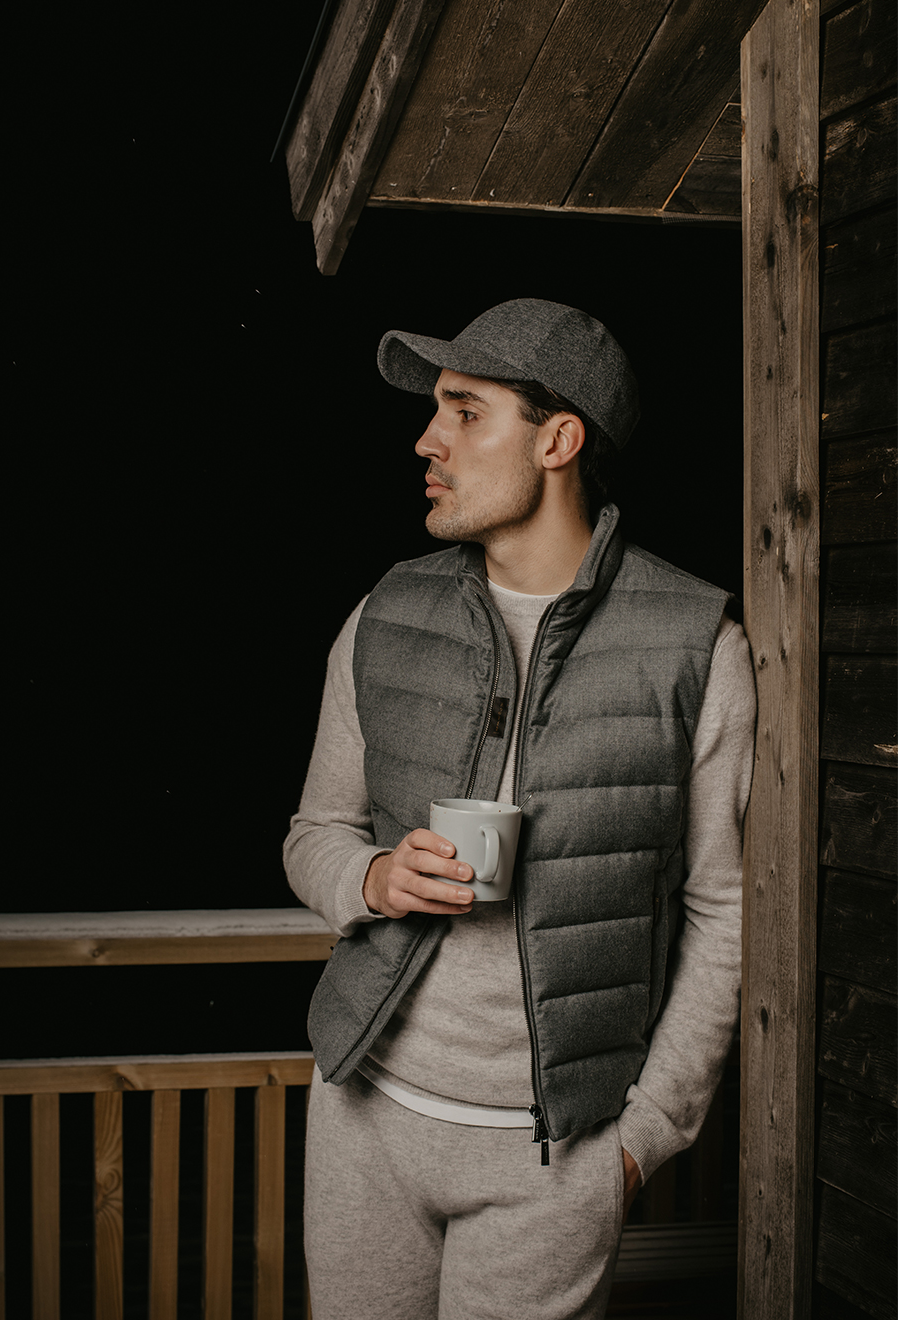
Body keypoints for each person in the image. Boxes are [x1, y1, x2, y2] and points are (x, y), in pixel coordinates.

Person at [284, 299, 756, 1320]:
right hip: (364, 1120)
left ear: (557, 440)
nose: (427, 440)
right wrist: (372, 877)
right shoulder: (385, 612)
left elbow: (723, 911)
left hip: (553, 1158)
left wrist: (641, 1140)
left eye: (464, 411)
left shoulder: (697, 647)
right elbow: (314, 832)